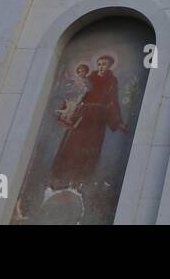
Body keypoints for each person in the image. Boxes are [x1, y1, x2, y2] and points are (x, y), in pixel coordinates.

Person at [49, 54, 128, 190]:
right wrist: (65, 111)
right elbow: (75, 95)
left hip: (98, 119)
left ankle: (79, 182)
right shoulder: (90, 78)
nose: (102, 66)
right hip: (82, 115)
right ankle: (60, 179)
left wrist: (117, 122)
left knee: (91, 149)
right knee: (71, 146)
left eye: (105, 64)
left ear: (110, 66)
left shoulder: (112, 80)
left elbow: (112, 101)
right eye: (100, 64)